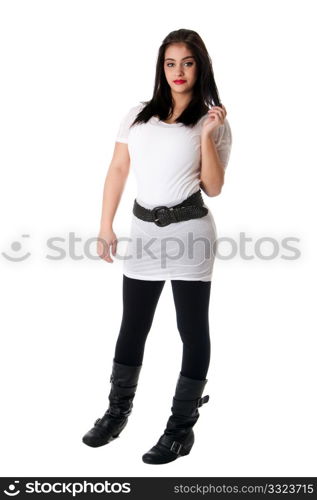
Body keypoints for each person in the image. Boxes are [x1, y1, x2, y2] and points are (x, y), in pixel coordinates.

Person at [82, 28, 232, 465]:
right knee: (133, 325)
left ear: (200, 66)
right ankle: (116, 413)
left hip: (190, 232)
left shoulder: (214, 119)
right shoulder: (136, 115)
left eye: (187, 62)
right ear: (160, 67)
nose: (178, 71)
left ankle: (180, 429)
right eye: (170, 63)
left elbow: (215, 187)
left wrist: (207, 134)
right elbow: (117, 169)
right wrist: (105, 226)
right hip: (144, 231)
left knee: (192, 328)